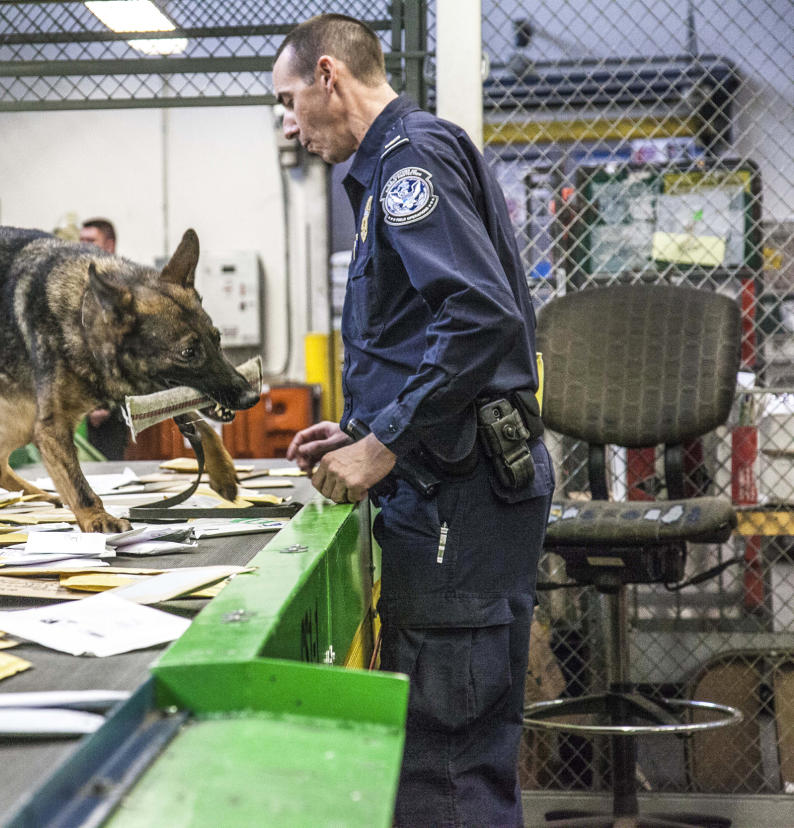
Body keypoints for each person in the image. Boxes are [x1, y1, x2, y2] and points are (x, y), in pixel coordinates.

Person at [275, 15, 553, 827]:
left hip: (457, 495)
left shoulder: (409, 164)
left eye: (289, 101)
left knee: (447, 756)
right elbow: (419, 334)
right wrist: (360, 428)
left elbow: (478, 320)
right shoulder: (392, 168)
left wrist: (385, 443)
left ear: (329, 76)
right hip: (446, 483)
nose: (289, 124)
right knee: (436, 744)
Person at [78, 218, 129, 461]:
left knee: (108, 470)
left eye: (90, 241)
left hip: (110, 407)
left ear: (109, 245)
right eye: (81, 241)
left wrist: (106, 403)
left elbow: (122, 348)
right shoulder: (80, 284)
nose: (83, 246)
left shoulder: (122, 287)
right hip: (79, 401)